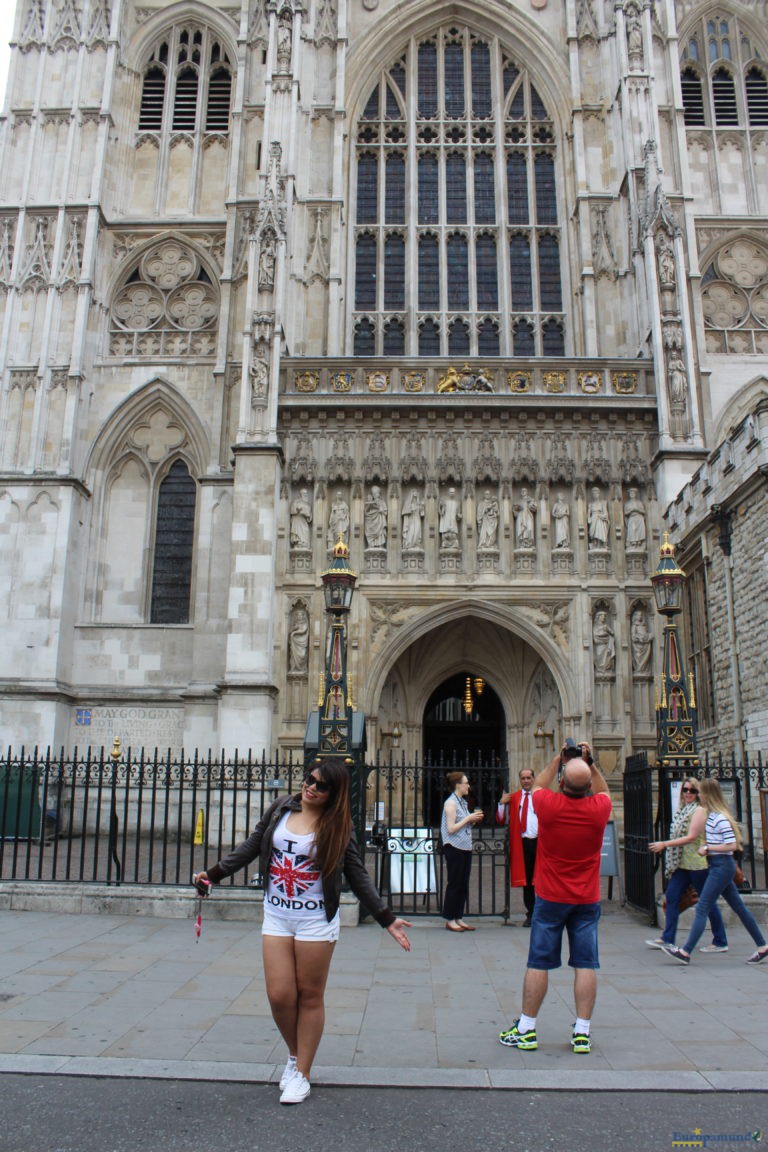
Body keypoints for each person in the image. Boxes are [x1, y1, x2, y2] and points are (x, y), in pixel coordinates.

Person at [194, 758, 412, 1104]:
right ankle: (296, 1056)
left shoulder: (339, 827)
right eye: (309, 779)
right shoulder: (282, 807)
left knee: (309, 995)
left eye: (320, 785)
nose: (310, 787)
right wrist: (214, 873)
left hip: (314, 919)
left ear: (334, 794)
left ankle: (302, 1072)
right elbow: (252, 845)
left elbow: (356, 875)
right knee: (279, 995)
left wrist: (387, 918)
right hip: (277, 915)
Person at [498, 739, 611, 1055]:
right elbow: (604, 793)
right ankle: (583, 1033)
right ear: (587, 784)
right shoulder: (599, 809)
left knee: (538, 963)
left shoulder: (549, 804)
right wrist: (589, 763)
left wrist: (558, 759)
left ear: (562, 781)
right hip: (586, 899)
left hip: (550, 898)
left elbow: (537, 785)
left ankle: (527, 1028)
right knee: (586, 964)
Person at [661, 778, 768, 966]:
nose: (698, 795)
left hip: (722, 866)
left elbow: (732, 845)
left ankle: (685, 952)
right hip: (718, 865)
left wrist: (709, 848)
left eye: (700, 792)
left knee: (703, 907)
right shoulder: (711, 816)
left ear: (708, 794)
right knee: (740, 908)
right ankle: (762, 946)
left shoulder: (720, 818)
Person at [646, 778, 728, 953]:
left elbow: (691, 837)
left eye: (692, 790)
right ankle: (668, 938)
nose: (688, 793)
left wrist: (664, 844)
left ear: (699, 794)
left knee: (707, 902)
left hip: (697, 865)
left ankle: (720, 939)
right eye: (685, 790)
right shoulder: (683, 810)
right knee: (672, 897)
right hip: (682, 864)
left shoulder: (699, 810)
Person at [441, 771, 484, 932]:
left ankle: (459, 916)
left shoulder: (463, 802)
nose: (468, 786)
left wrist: (472, 820)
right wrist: (468, 818)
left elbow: (463, 826)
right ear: (458, 785)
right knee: (454, 883)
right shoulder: (450, 803)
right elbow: (451, 828)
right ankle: (449, 918)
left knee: (463, 883)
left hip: (465, 845)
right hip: (454, 846)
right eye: (466, 783)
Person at [496, 768, 538, 926]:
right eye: (523, 778)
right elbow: (500, 819)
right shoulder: (515, 797)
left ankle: (544, 912)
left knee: (541, 879)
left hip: (539, 842)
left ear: (534, 779)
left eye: (529, 777)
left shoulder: (541, 796)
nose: (526, 781)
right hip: (523, 842)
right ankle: (531, 913)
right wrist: (501, 803)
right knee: (527, 881)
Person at [592, 610, 615, 674]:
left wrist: (605, 634)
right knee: (599, 656)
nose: (604, 618)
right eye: (602, 616)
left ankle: (605, 669)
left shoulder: (605, 626)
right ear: (598, 617)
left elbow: (612, 633)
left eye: (605, 617)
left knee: (606, 657)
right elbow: (594, 635)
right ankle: (600, 668)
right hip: (599, 645)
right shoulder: (595, 626)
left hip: (605, 645)